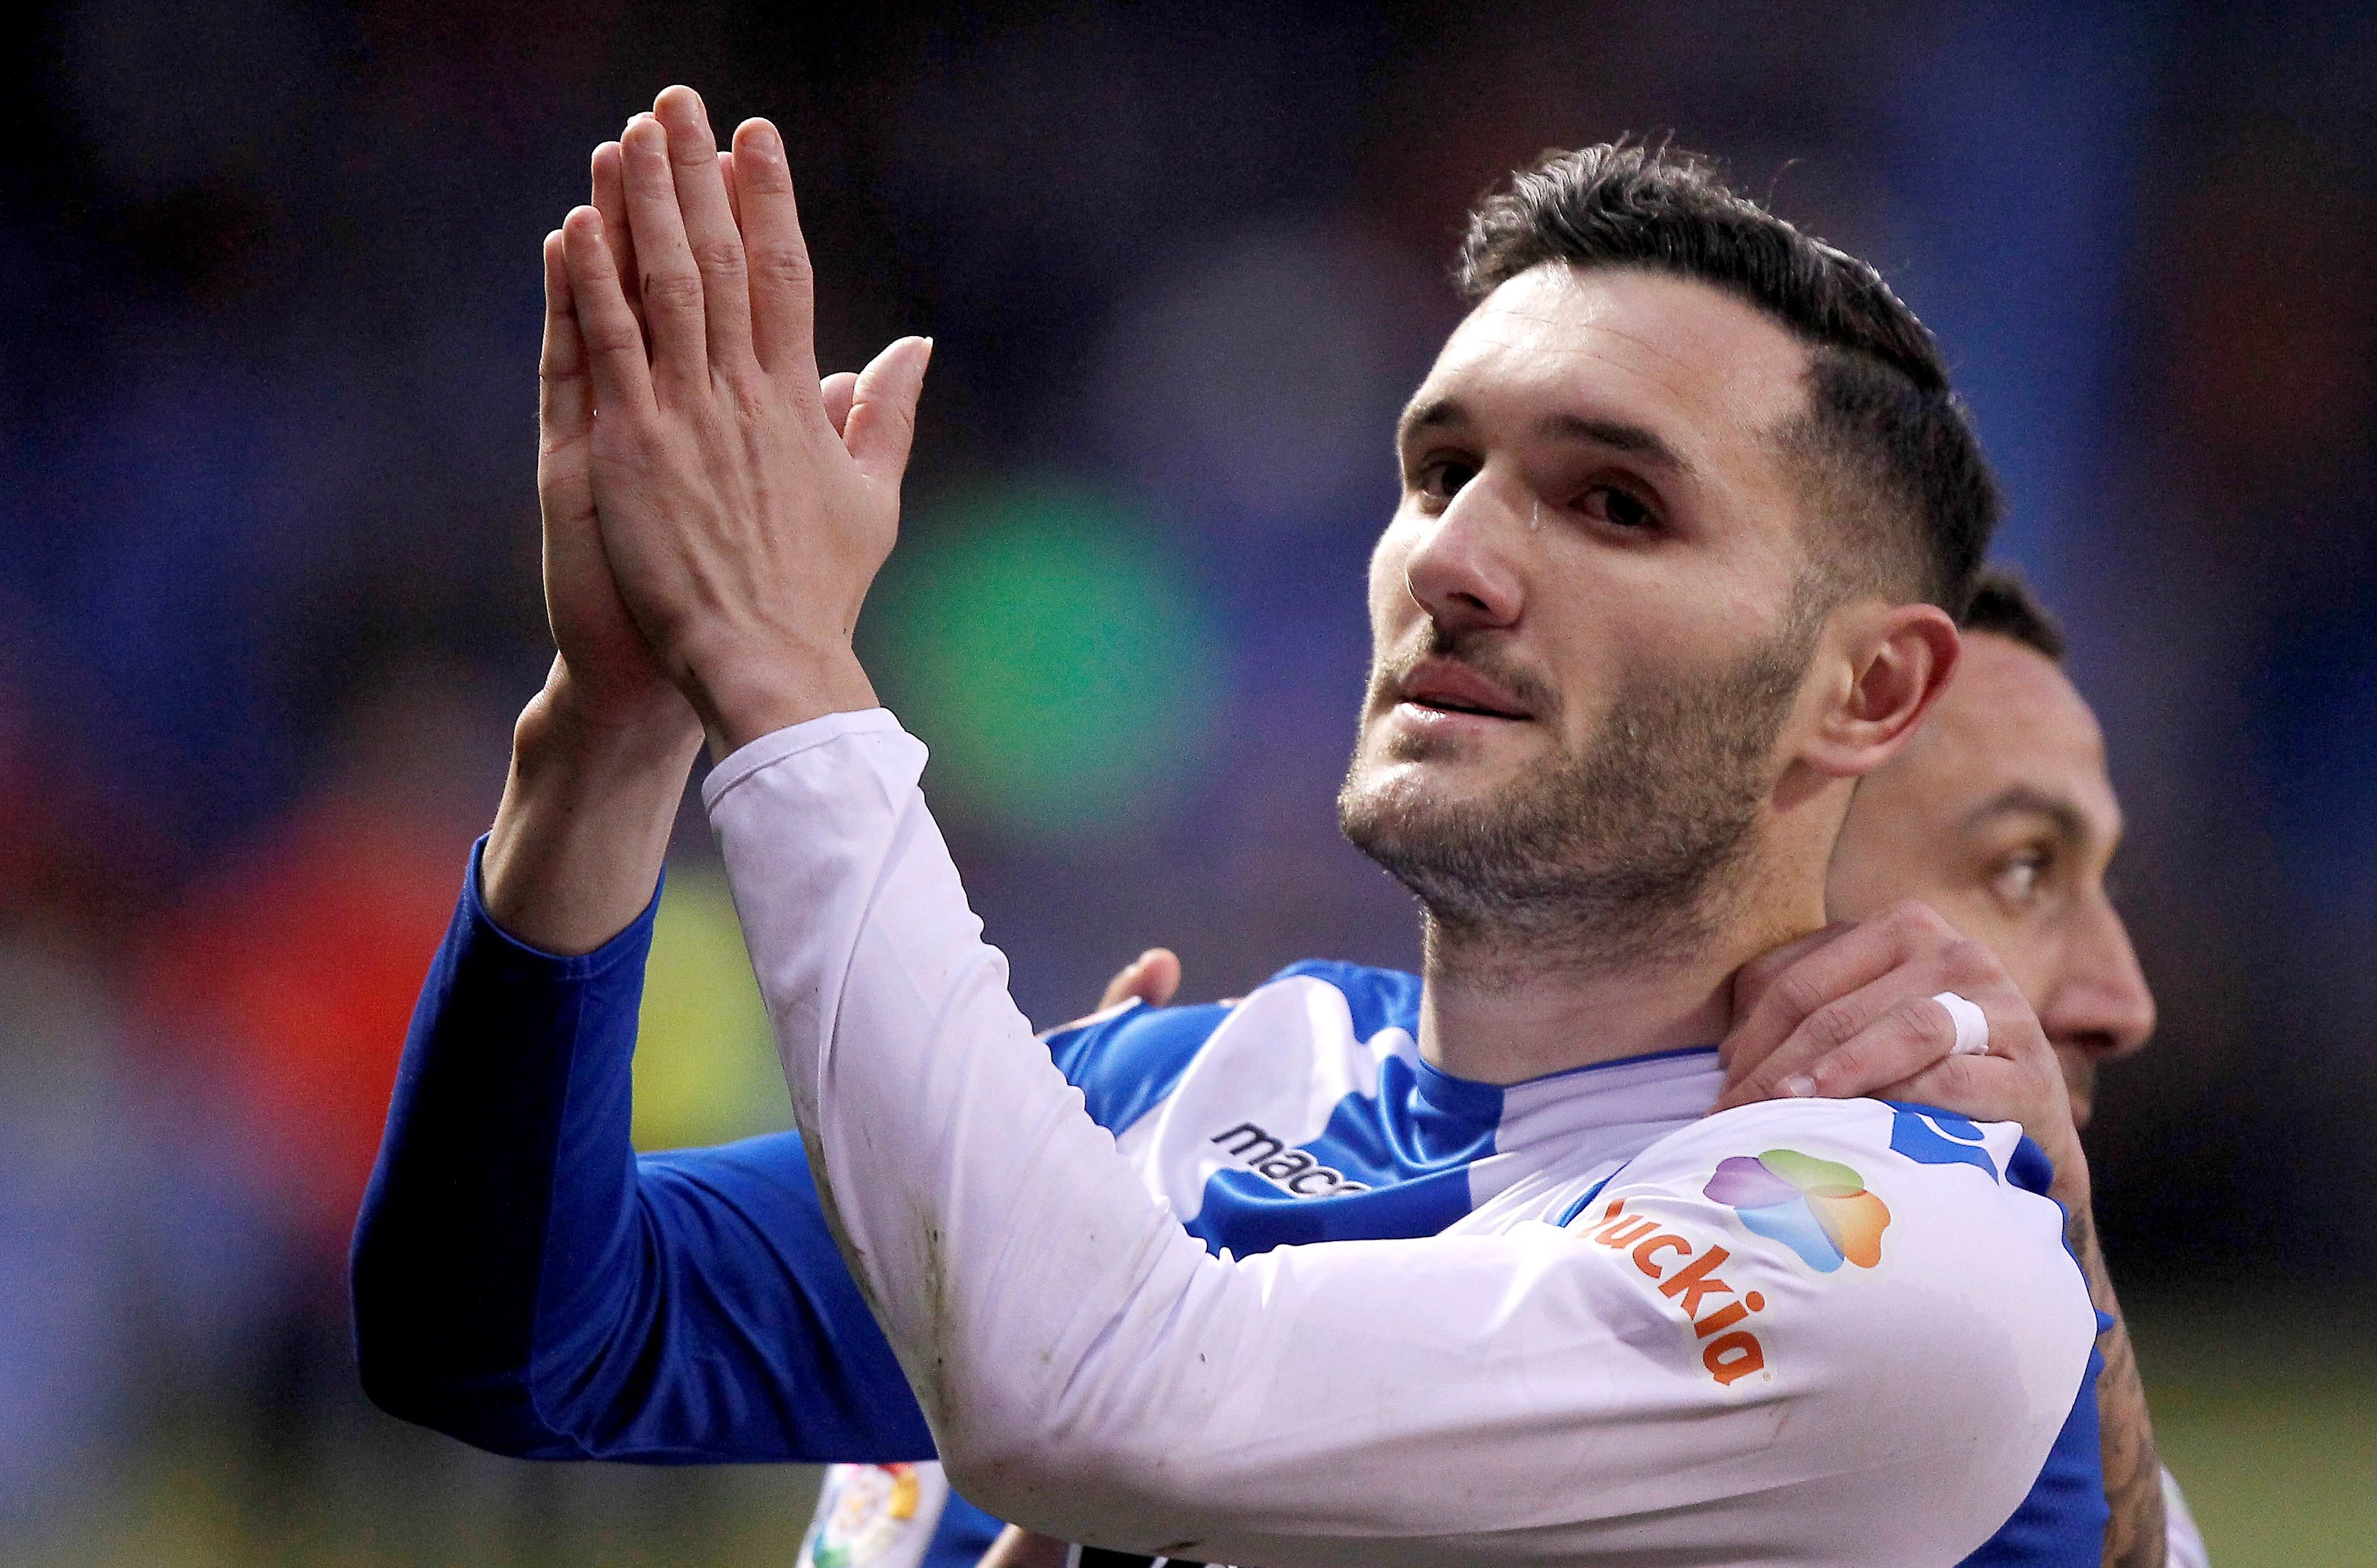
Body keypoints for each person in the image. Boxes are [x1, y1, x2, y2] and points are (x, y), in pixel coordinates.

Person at [355, 89, 2115, 1565]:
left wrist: (781, 668)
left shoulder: (1897, 1264)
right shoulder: (1185, 1092)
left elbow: (1104, 1395)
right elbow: (506, 1336)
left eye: (1616, 503)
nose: (1454, 559)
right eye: (1439, 472)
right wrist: (615, 726)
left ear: (1869, 693)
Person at [998, 570, 2209, 1568]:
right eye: (2020, 868)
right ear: (1775, 855)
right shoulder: (1197, 1159)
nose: (2123, 998)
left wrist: (2070, 1251)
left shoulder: (2004, 1389)